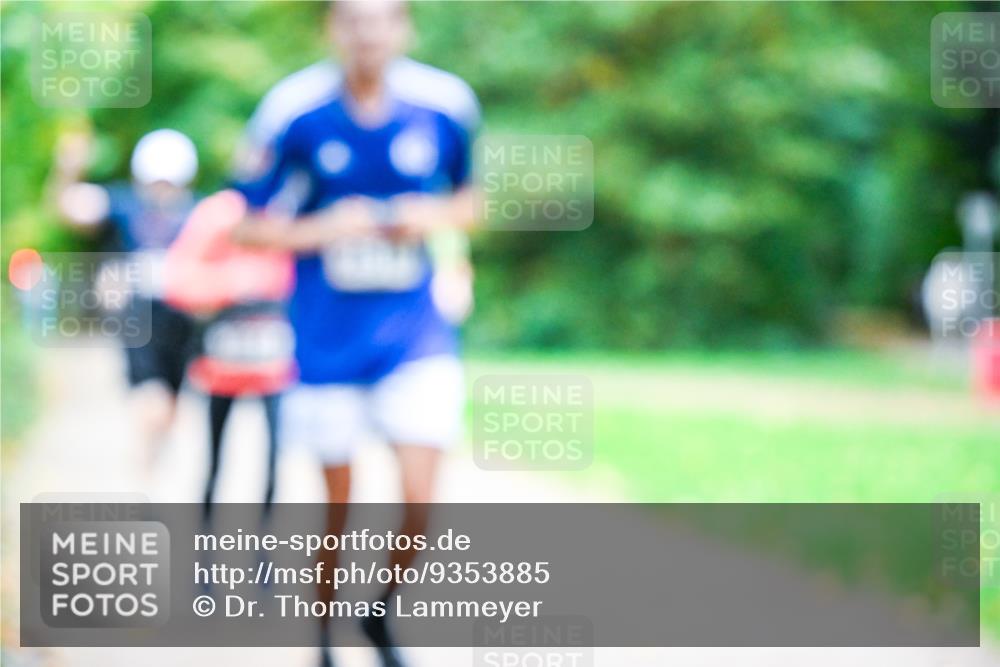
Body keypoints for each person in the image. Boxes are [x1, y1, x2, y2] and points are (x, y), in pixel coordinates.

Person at [232, 2, 480, 665]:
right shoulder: (293, 110)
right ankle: (321, 635)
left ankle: (377, 612)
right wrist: (326, 227)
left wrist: (424, 214)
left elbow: (473, 200)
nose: (368, 34)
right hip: (326, 339)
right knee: (337, 504)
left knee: (420, 499)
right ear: (333, 28)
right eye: (354, 19)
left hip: (414, 334)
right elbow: (244, 223)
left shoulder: (445, 104)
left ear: (405, 27)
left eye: (382, 19)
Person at [50, 128, 200, 471]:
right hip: (137, 317)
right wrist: (68, 169)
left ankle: (153, 452)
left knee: (169, 406)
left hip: (180, 320)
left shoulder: (197, 212)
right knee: (151, 399)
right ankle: (144, 463)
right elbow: (72, 209)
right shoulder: (124, 205)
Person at [163, 189, 296, 519]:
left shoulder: (287, 207)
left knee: (274, 453)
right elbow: (178, 279)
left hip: (274, 366)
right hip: (222, 365)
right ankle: (206, 527)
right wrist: (234, 281)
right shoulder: (219, 212)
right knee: (213, 452)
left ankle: (268, 531)